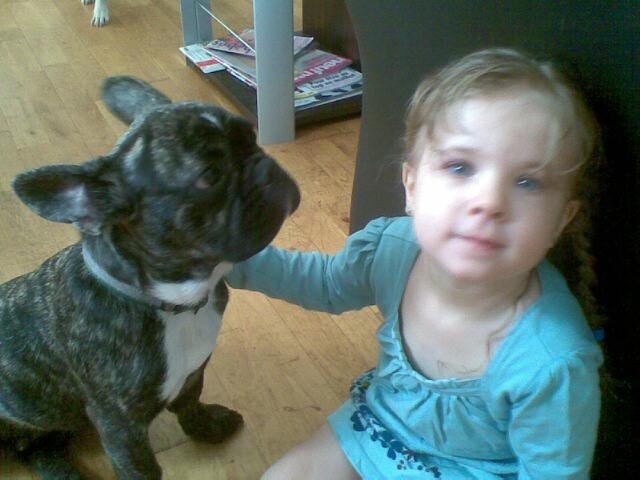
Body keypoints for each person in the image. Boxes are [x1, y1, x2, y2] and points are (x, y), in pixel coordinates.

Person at [226, 48, 604, 479]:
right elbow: (325, 283)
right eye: (460, 167)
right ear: (412, 186)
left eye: (527, 182)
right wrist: (228, 259)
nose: (489, 201)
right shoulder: (391, 250)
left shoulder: (552, 362)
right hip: (379, 428)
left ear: (561, 220)